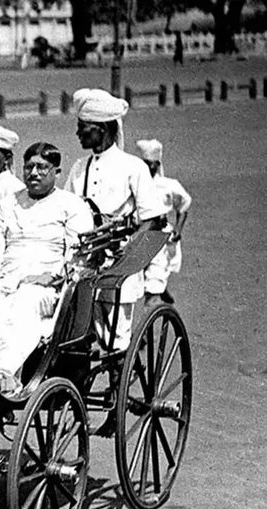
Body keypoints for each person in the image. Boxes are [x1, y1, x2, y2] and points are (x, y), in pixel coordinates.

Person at [0, 142, 94, 392]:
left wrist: (52, 275)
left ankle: (2, 374)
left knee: (26, 300)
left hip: (47, 287)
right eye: (28, 167)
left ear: (56, 172)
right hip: (6, 278)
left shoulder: (72, 206)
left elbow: (78, 255)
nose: (34, 173)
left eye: (42, 167)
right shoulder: (9, 203)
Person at [65, 88, 168, 351]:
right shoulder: (79, 168)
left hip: (118, 267)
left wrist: (126, 252)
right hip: (83, 264)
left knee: (115, 341)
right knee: (73, 334)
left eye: (83, 127)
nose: (78, 133)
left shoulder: (133, 167)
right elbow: (64, 209)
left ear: (103, 128)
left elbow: (152, 219)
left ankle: (116, 384)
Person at [135, 139, 192, 303]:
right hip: (140, 235)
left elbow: (183, 206)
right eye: (145, 163)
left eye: (152, 164)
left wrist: (178, 230)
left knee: (153, 285)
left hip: (161, 237)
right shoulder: (135, 184)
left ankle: (154, 301)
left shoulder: (168, 185)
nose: (149, 167)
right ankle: (160, 291)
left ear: (157, 164)